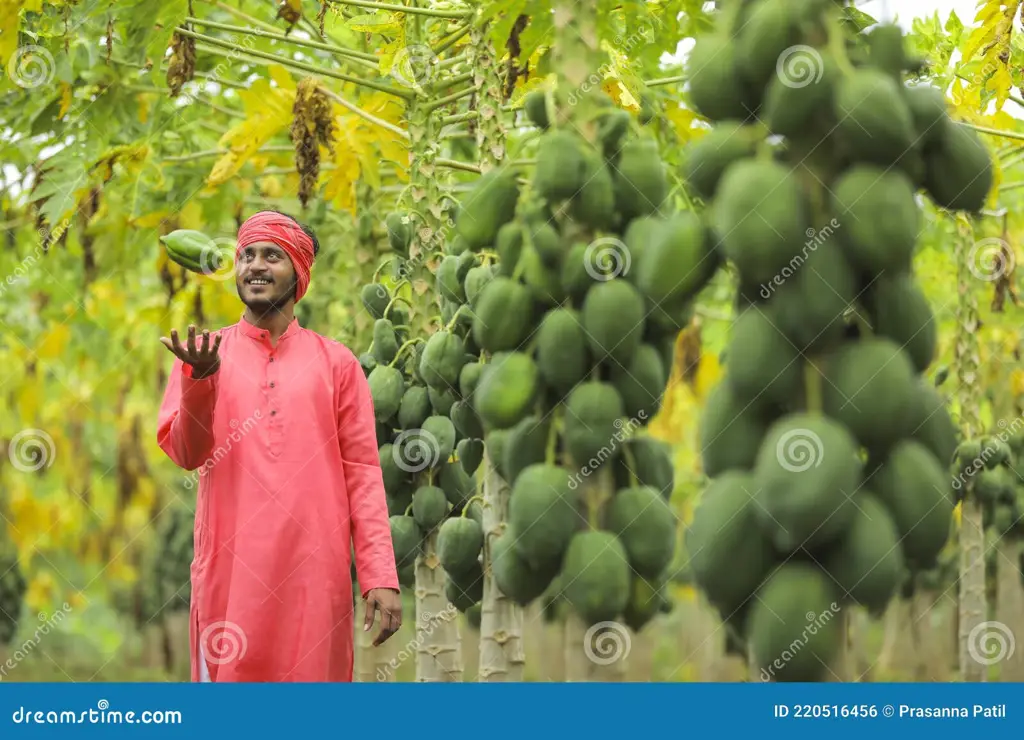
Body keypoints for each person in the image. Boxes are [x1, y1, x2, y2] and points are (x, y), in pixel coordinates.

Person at [156, 210, 402, 682]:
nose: (254, 265)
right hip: (231, 574)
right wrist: (199, 382)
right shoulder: (204, 352)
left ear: (299, 273)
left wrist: (379, 574)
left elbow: (364, 473)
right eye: (246, 255)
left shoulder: (337, 363)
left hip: (315, 575)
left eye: (272, 255)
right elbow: (187, 453)